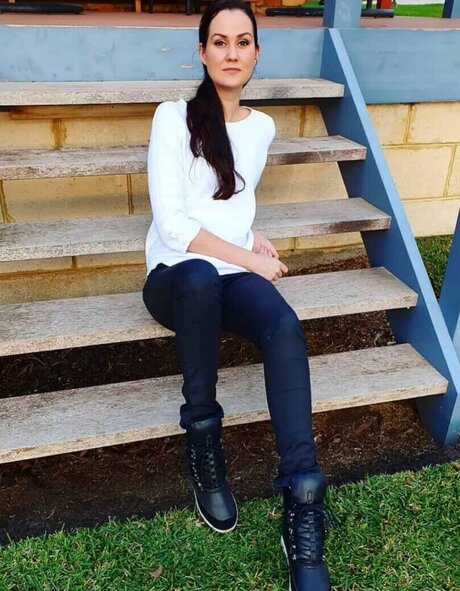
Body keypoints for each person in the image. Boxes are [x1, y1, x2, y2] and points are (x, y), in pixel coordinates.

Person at [142, 1, 332, 589]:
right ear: (202, 52)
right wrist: (250, 258)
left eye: (242, 42)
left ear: (255, 53)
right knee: (201, 277)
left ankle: (302, 498)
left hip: (230, 270)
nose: (231, 53)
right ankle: (204, 441)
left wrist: (252, 238)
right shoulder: (172, 118)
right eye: (219, 42)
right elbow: (174, 224)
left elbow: (231, 203)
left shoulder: (262, 128)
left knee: (283, 324)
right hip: (176, 277)